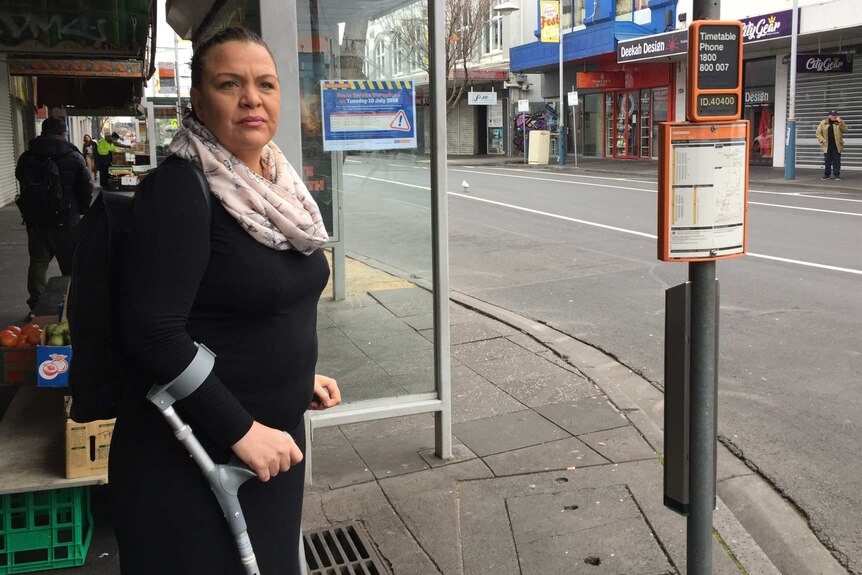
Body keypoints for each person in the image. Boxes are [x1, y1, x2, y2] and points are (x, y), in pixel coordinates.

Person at [109, 27, 341, 575]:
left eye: (265, 84)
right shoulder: (181, 190)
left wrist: (292, 375)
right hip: (197, 455)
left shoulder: (276, 184)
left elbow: (244, 307)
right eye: (229, 83)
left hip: (264, 448)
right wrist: (242, 430)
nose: (251, 99)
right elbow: (153, 331)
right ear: (197, 100)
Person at [14, 116, 92, 318]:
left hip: (36, 220)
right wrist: (81, 209)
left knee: (38, 263)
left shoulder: (28, 156)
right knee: (70, 264)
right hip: (66, 219)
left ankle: (36, 307)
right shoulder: (73, 156)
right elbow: (86, 186)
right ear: (63, 133)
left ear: (42, 132)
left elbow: (21, 179)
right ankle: (72, 305)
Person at [815, 110, 848, 181]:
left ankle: (837, 175)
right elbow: (818, 133)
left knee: (837, 161)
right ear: (829, 116)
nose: (834, 116)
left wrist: (841, 122)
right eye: (833, 115)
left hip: (837, 145)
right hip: (827, 146)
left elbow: (845, 129)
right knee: (827, 161)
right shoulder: (823, 122)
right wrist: (823, 140)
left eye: (835, 115)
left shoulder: (838, 123)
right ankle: (827, 175)